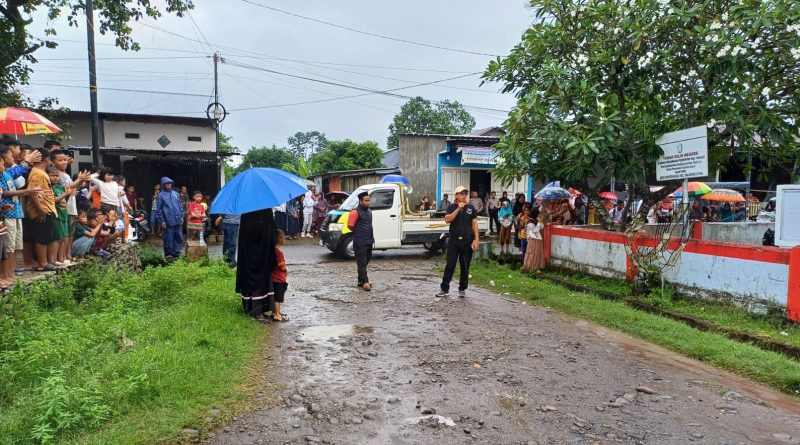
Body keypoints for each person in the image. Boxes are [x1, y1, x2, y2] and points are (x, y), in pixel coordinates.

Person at [0, 144, 42, 277]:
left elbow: (19, 170)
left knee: (15, 246)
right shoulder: (2, 174)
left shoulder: (7, 173)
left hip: (16, 212)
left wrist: (32, 192)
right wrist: (29, 191)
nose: (13, 157)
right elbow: (6, 192)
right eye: (11, 155)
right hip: (7, 215)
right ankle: (7, 274)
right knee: (8, 247)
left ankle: (11, 272)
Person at [436, 186, 479, 298]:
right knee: (450, 264)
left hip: (467, 240)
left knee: (465, 265)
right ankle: (444, 289)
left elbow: (474, 224)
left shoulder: (471, 208)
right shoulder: (451, 207)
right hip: (454, 240)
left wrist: (476, 239)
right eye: (461, 193)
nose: (464, 195)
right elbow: (447, 220)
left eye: (465, 193)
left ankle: (462, 289)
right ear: (456, 195)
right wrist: (458, 208)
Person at [235, 208, 277, 323]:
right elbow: (270, 231)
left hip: (261, 251)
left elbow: (270, 229)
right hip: (255, 251)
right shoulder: (253, 208)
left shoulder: (250, 208)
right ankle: (257, 311)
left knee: (262, 278)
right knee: (256, 279)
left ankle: (261, 309)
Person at [23, 147, 58, 271]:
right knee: (41, 238)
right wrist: (41, 210)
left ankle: (46, 261)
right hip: (42, 210)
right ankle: (42, 263)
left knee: (47, 237)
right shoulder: (37, 173)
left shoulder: (40, 172)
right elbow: (32, 193)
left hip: (47, 208)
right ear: (47, 159)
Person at [47, 166, 74, 267]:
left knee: (63, 238)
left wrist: (67, 195)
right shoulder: (50, 188)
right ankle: (53, 260)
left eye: (57, 176)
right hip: (56, 216)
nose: (55, 178)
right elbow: (53, 201)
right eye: (52, 175)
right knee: (57, 239)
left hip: (64, 214)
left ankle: (61, 259)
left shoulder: (59, 187)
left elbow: (63, 201)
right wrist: (65, 194)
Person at [347, 191, 374, 291]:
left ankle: (360, 281)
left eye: (369, 200)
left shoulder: (369, 212)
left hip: (369, 240)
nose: (368, 202)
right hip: (360, 241)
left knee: (367, 260)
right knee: (361, 263)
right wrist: (359, 233)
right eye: (366, 201)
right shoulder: (355, 212)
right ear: (360, 201)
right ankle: (365, 282)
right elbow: (350, 226)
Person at [155, 177, 184, 261]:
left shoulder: (176, 194)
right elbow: (159, 209)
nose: (169, 185)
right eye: (167, 184)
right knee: (168, 238)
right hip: (168, 220)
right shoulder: (160, 195)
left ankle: (177, 252)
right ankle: (168, 254)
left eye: (170, 184)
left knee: (178, 236)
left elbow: (180, 205)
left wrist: (182, 216)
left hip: (177, 218)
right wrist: (162, 221)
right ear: (163, 185)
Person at [271, 229, 289, 322]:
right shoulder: (279, 252)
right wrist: (286, 270)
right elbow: (281, 265)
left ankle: (275, 312)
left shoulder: (272, 250)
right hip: (279, 278)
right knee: (278, 298)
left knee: (275, 297)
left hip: (273, 277)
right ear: (281, 239)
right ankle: (277, 314)